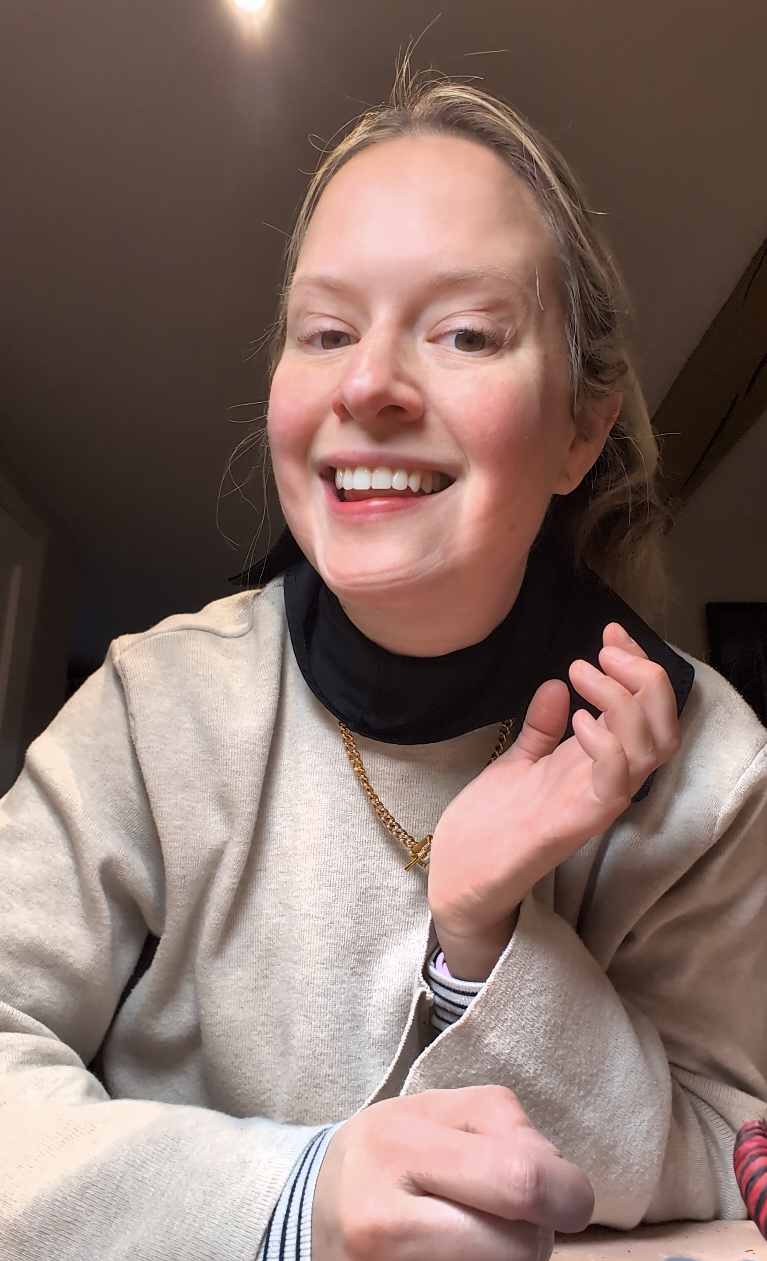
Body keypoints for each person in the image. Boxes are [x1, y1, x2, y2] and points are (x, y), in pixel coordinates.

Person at [1, 72, 766, 1261]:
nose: (365, 385)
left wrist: (485, 937)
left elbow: (731, 1146)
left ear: (580, 427)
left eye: (464, 333)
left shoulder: (708, 769)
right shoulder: (150, 712)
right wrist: (291, 1201)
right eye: (324, 333)